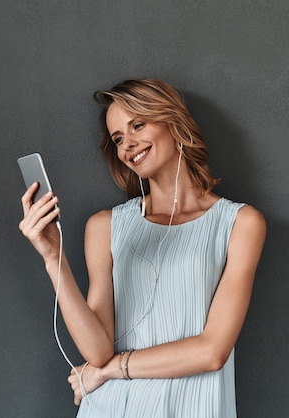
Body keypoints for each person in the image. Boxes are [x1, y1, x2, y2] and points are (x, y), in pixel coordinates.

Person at [19, 79, 266, 417]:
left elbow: (212, 352)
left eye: (138, 125)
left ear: (173, 122)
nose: (128, 145)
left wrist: (110, 370)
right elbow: (97, 351)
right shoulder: (105, 226)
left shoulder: (240, 223)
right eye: (118, 138)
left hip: (192, 407)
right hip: (112, 408)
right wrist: (53, 258)